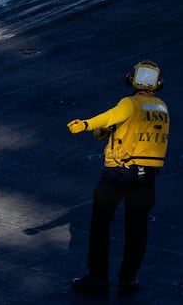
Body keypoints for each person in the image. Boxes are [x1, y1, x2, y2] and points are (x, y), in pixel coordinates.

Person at [66, 61, 170, 297]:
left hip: (118, 174)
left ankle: (97, 279)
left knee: (100, 225)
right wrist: (113, 131)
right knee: (137, 230)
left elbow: (110, 116)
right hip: (146, 178)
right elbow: (138, 132)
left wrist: (85, 124)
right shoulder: (162, 108)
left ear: (131, 80)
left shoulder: (129, 103)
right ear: (158, 84)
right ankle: (128, 280)